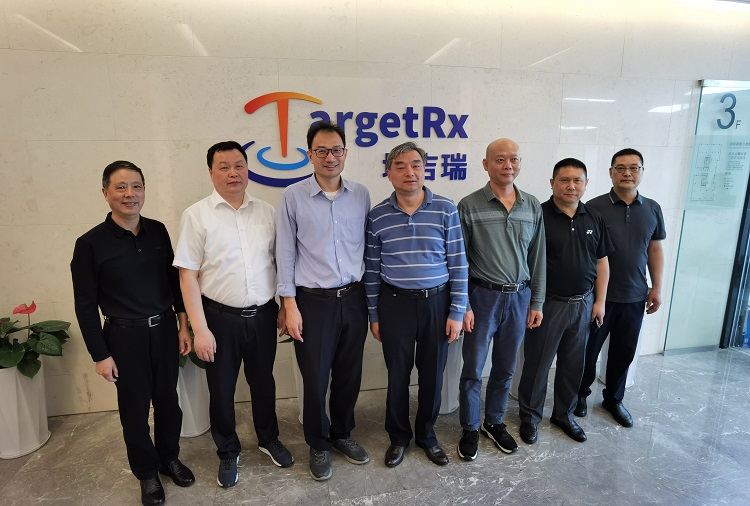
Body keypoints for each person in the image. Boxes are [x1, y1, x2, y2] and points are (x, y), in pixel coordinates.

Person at [71, 161, 195, 506]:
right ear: (105, 193)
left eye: (137, 186)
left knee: (169, 402)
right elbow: (85, 305)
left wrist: (183, 325)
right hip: (123, 337)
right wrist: (100, 355)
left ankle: (169, 458)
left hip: (164, 330)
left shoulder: (158, 231)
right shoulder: (90, 243)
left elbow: (173, 282)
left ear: (144, 190)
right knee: (135, 410)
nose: (130, 194)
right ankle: (147, 472)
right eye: (121, 187)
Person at [174, 141, 292, 489]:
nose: (233, 173)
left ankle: (269, 438)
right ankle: (227, 450)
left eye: (239, 165)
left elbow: (279, 263)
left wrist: (284, 306)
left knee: (263, 381)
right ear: (211, 172)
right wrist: (200, 329)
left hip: (263, 315)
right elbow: (187, 276)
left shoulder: (266, 211)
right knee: (222, 388)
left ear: (247, 169)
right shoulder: (197, 215)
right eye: (223, 166)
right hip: (218, 319)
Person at [276, 121, 371, 481]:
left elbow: (367, 247)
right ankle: (318, 442)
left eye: (336, 150)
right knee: (315, 378)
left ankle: (342, 433)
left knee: (349, 373)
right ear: (310, 154)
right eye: (322, 151)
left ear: (345, 153)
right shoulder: (293, 196)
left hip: (354, 297)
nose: (330, 157)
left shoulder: (361, 194)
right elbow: (285, 252)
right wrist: (289, 304)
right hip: (312, 302)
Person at [364, 142, 468, 468]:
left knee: (432, 375)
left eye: (416, 165)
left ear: (425, 169)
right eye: (400, 166)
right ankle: (398, 437)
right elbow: (371, 269)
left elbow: (459, 264)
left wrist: (457, 311)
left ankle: (426, 435)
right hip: (394, 304)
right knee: (397, 374)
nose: (409, 172)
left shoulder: (446, 209)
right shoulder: (377, 216)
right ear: (389, 173)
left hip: (437, 303)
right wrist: (374, 314)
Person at [456, 138, 546, 461]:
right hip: (482, 297)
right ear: (486, 164)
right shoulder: (468, 205)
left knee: (506, 367)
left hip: (519, 298)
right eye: (500, 160)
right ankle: (469, 426)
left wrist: (537, 302)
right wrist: (464, 305)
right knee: (473, 367)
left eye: (514, 159)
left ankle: (493, 421)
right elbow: (459, 261)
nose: (508, 165)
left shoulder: (532, 205)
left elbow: (538, 258)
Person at [517, 158, 613, 444]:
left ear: (586, 184)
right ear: (552, 183)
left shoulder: (594, 217)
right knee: (538, 365)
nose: (571, 186)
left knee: (573, 365)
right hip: (548, 304)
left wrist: (600, 301)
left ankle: (564, 415)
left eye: (577, 180)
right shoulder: (539, 215)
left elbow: (602, 261)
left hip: (584, 303)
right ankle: (530, 417)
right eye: (564, 180)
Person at [576, 148, 666, 427]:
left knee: (624, 352)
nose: (627, 173)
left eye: (633, 168)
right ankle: (580, 395)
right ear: (611, 172)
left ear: (642, 171)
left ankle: (614, 399)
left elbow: (654, 250)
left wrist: (656, 287)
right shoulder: (593, 207)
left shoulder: (652, 208)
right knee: (588, 352)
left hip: (635, 295)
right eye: (621, 168)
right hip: (598, 297)